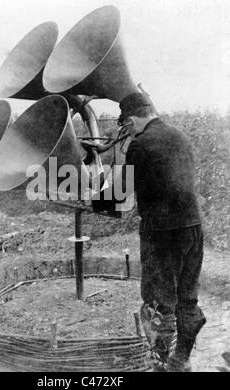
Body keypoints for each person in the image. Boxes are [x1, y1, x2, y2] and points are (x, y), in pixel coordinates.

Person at [83, 92, 206, 372]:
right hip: (193, 228)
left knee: (159, 300)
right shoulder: (180, 136)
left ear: (132, 118)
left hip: (162, 234)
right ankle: (181, 359)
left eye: (127, 126)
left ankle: (162, 364)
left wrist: (94, 198)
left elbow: (120, 193)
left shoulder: (141, 144)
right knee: (187, 297)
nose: (129, 131)